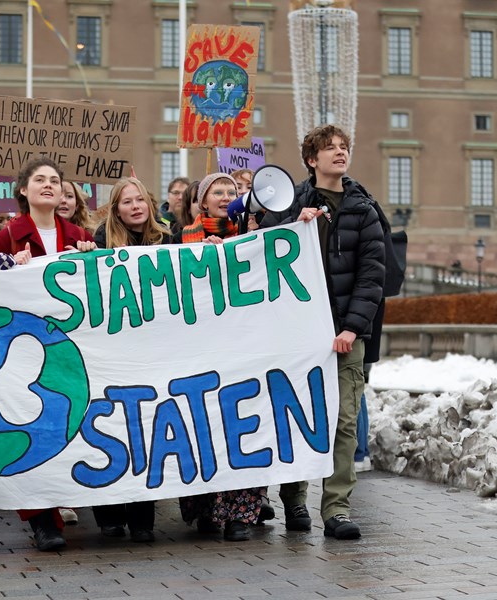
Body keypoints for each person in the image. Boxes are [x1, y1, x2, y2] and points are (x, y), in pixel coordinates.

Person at [260, 125, 385, 540]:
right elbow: (257, 248)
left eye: (344, 147)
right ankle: (294, 499)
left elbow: (372, 276)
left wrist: (352, 327)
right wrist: (294, 224)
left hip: (345, 335)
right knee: (297, 417)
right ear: (311, 160)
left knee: (344, 423)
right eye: (329, 148)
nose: (339, 153)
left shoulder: (364, 209)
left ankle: (337, 509)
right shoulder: (289, 202)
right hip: (297, 335)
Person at [0, 157, 96, 551]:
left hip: (72, 346)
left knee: (67, 424)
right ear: (22, 190)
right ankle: (41, 521)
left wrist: (90, 258)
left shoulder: (82, 234)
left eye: (55, 180)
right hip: (26, 347)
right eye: (40, 180)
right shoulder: (8, 237)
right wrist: (9, 269)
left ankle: (69, 501)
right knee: (31, 430)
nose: (49, 185)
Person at [175, 172, 266, 542]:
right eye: (218, 191)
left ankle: (242, 514)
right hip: (200, 350)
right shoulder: (181, 239)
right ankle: (209, 510)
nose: (226, 196)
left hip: (244, 347)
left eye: (232, 191)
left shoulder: (252, 235)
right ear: (201, 201)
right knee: (206, 426)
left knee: (246, 424)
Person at [89, 177, 171, 543]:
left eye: (140, 199)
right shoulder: (99, 244)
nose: (135, 206)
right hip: (110, 354)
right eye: (127, 201)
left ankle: (142, 519)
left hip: (153, 353)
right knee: (110, 428)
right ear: (116, 209)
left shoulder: (169, 239)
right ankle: (109, 516)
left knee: (147, 432)